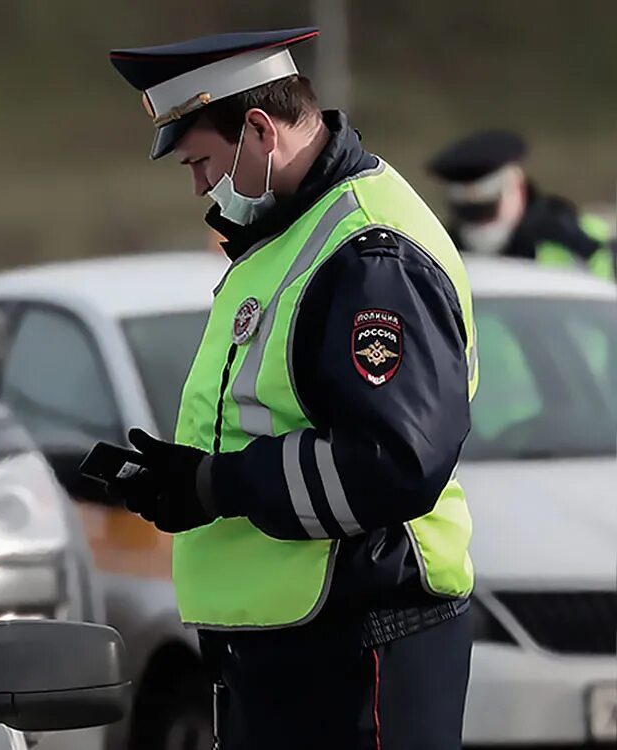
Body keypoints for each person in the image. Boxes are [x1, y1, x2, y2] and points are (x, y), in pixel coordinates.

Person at [103, 27, 477, 749]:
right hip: (297, 647)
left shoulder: (370, 254)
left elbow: (393, 461)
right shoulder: (294, 231)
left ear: (258, 130)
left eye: (201, 162)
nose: (197, 186)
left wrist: (218, 486)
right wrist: (183, 478)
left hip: (360, 639)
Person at [428, 129, 615, 279]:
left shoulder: (578, 238)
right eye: (469, 213)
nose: (480, 223)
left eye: (488, 209)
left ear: (516, 188)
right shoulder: (442, 252)